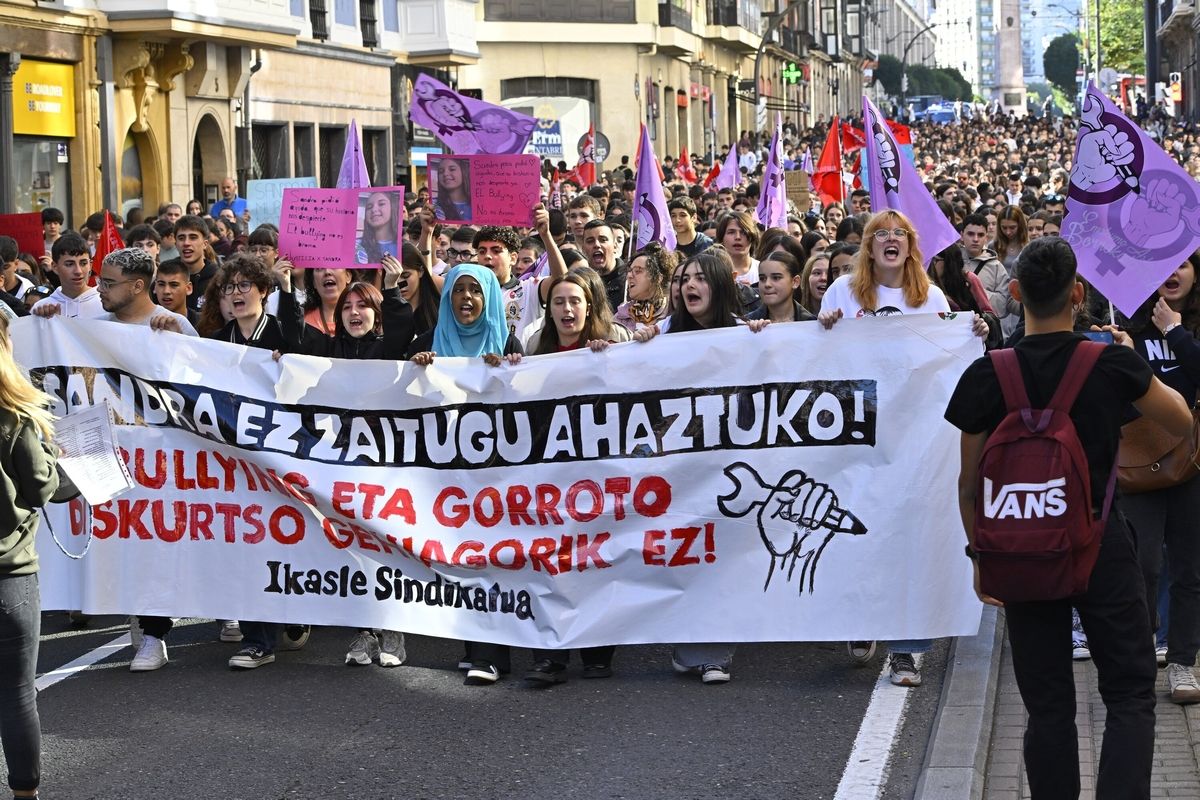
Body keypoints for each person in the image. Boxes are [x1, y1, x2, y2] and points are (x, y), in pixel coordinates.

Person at [946, 235, 1192, 798]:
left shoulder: (988, 374)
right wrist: (1126, 362)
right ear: (1078, 293)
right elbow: (1178, 420)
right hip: (1103, 542)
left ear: (1015, 292)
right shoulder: (1108, 362)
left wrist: (981, 560)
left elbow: (968, 484)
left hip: (1021, 548)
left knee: (1047, 703)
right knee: (1129, 693)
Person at [819, 210, 986, 686]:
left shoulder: (929, 297)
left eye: (900, 235)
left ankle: (908, 649)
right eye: (881, 235)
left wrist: (971, 333)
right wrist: (824, 326)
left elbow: (944, 357)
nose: (891, 241)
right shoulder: (841, 294)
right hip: (858, 436)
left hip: (914, 437)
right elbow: (820, 356)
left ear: (911, 246)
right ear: (868, 247)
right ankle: (861, 617)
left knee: (910, 535)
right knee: (858, 528)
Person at [631, 248, 768, 683]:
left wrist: (766, 340)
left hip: (728, 466)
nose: (690, 285)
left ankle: (713, 652)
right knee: (688, 551)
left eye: (701, 278)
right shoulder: (663, 335)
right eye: (685, 278)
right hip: (679, 469)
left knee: (721, 554)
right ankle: (690, 641)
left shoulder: (746, 333)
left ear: (721, 285)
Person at [1119, 254, 1200, 703]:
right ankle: (1140, 656)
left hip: (1192, 462)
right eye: (1166, 264)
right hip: (1139, 462)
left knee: (1189, 570)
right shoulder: (1129, 328)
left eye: (1185, 264)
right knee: (1143, 565)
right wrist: (1124, 356)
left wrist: (1175, 331)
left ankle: (1183, 664)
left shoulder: (1185, 327)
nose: (1173, 272)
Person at [0, 312, 58, 800]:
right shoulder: (15, 417)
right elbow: (42, 487)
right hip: (9, 574)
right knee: (17, 695)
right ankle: (25, 794)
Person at [30, 234, 103, 320]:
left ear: (90, 265)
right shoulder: (41, 308)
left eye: (83, 263)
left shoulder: (105, 303)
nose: (78, 271)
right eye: (69, 264)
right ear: (55, 267)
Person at [614, 243, 677, 332]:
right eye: (629, 271)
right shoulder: (621, 316)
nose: (629, 275)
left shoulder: (674, 312)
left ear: (658, 278)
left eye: (638, 271)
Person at [749, 251, 815, 323]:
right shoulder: (746, 323)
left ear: (795, 282)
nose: (767, 284)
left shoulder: (811, 322)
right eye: (762, 278)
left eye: (776, 278)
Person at [173, 215, 218, 312]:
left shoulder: (219, 278)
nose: (186, 243)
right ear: (176, 244)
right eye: (181, 238)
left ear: (205, 244)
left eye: (193, 237)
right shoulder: (166, 276)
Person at [357, 192, 402, 264]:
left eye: (381, 204)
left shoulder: (404, 245)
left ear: (393, 207)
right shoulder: (357, 247)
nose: (374, 210)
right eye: (369, 207)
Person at [432, 159, 472, 223]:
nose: (445, 174)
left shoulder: (479, 206)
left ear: (464, 171)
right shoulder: (433, 205)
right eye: (441, 171)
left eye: (452, 169)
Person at [798, 252, 830, 316]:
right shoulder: (796, 315)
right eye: (817, 273)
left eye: (829, 273)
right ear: (806, 279)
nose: (823, 278)